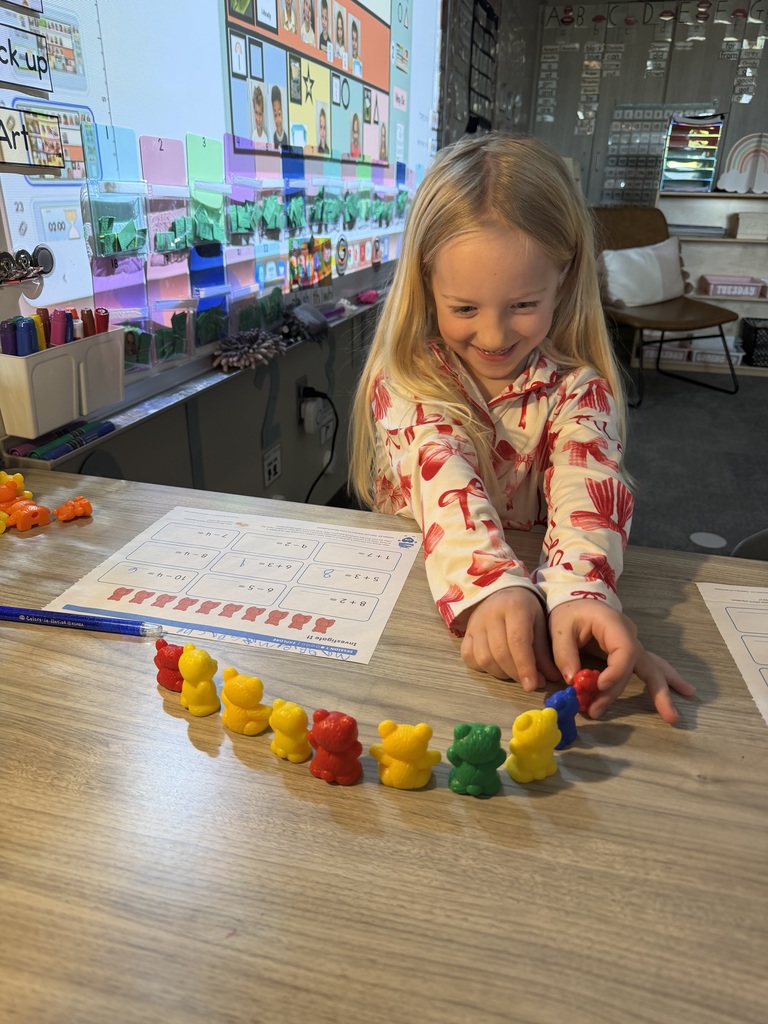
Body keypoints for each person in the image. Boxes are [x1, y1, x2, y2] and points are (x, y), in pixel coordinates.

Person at [349, 132, 696, 724]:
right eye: (464, 308)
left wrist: (582, 596)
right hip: (402, 617)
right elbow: (442, 470)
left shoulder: (580, 388)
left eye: (522, 305)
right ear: (425, 281)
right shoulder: (406, 378)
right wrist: (493, 586)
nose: (493, 336)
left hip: (518, 617)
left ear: (564, 277)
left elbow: (587, 490)